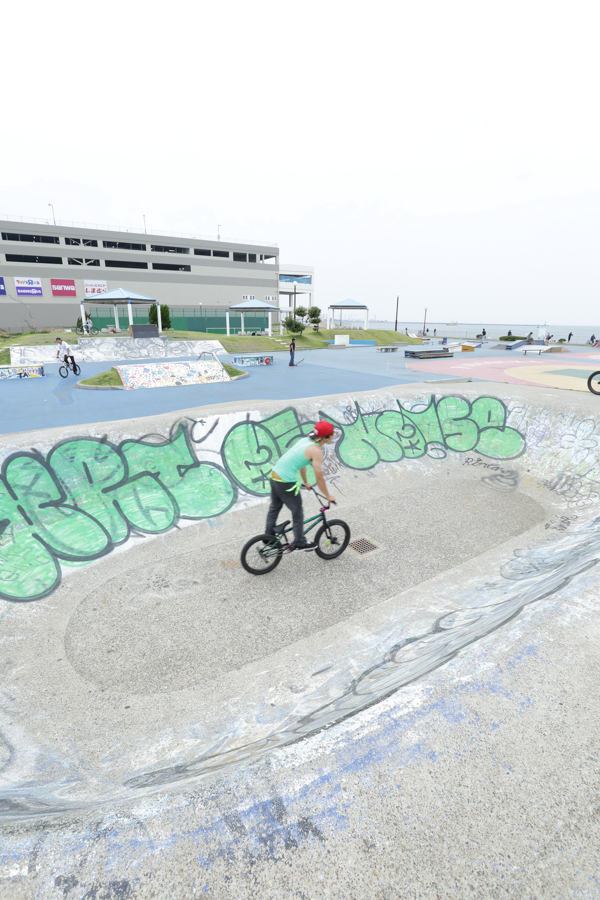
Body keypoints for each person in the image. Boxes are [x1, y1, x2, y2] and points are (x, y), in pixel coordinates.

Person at [265, 421, 336, 551]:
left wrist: (305, 481)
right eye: (332, 434)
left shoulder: (305, 441)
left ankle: (268, 536)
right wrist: (328, 496)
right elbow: (319, 479)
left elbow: (301, 463)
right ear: (326, 437)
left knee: (275, 507)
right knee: (297, 512)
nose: (333, 436)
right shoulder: (316, 451)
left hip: (274, 475)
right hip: (285, 481)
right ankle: (300, 542)